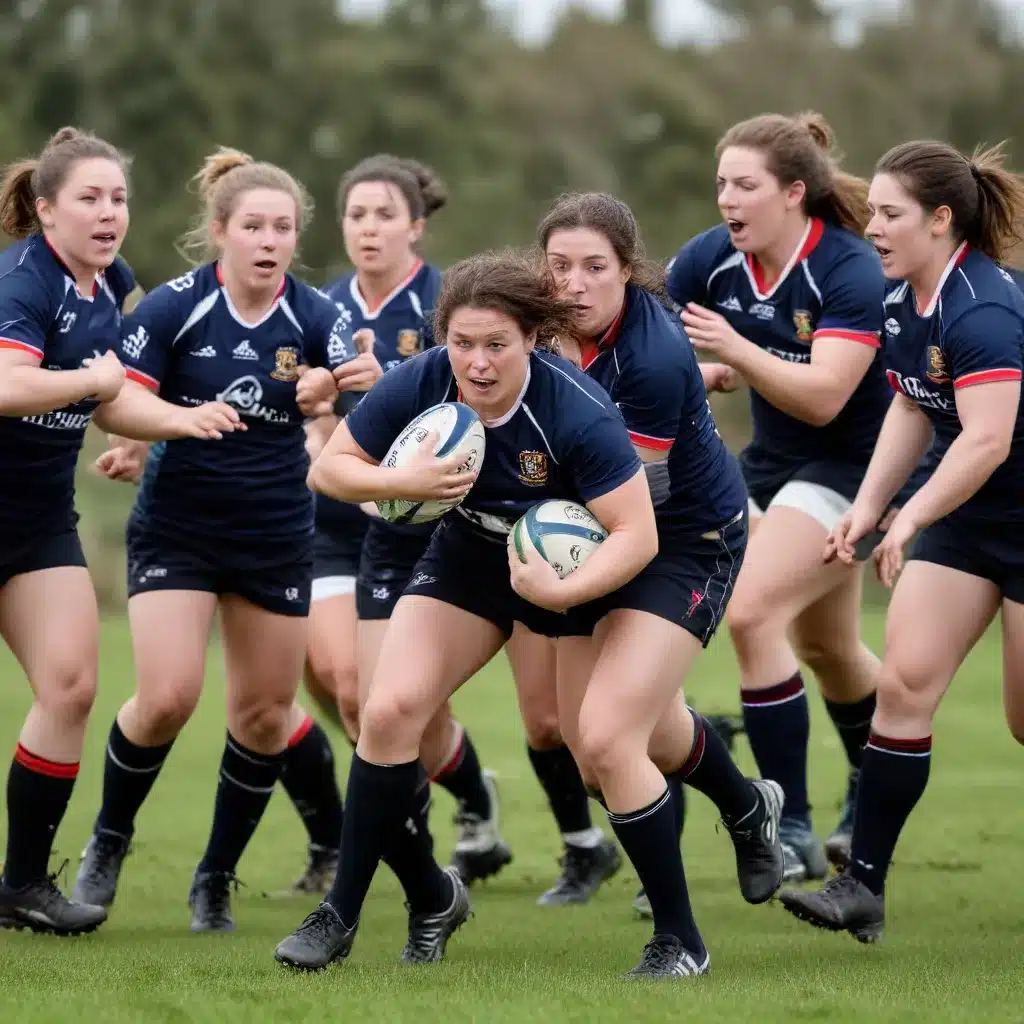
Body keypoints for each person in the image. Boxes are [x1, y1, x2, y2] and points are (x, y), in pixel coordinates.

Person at [273, 249, 658, 972]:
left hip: (564, 572)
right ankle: (344, 914)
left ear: (533, 341)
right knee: (387, 714)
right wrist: (402, 477)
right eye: (463, 344)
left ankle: (737, 807)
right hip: (466, 563)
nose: (476, 364)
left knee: (597, 748)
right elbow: (329, 468)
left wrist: (561, 592)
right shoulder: (423, 380)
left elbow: (639, 533)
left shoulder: (574, 409)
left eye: (496, 346)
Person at [70, 146, 381, 932]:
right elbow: (118, 406)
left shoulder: (316, 314)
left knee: (265, 718)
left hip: (276, 533)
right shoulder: (174, 307)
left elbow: (371, 385)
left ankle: (215, 877)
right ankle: (108, 841)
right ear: (221, 232)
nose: (269, 239)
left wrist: (336, 387)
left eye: (282, 226)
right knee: (169, 697)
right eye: (253, 225)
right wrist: (176, 423)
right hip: (179, 525)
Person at [781, 140, 1024, 941]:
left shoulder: (983, 308)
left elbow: (987, 439)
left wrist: (910, 516)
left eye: (890, 214)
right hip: (965, 518)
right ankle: (864, 888)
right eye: (875, 212)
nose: (873, 227)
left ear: (941, 220)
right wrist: (872, 506)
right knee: (904, 686)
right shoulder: (900, 299)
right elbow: (914, 406)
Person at [0, 127, 240, 935]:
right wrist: (92, 379)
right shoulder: (21, 282)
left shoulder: (112, 284)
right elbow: (7, 385)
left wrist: (178, 419)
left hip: (34, 524)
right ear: (45, 210)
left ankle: (21, 887)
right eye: (90, 199)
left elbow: (110, 401)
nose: (110, 214)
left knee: (69, 685)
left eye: (119, 199)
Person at [541, 192, 784, 977]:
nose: (574, 284)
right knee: (594, 747)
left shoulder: (650, 356)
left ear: (627, 271)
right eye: (558, 267)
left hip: (685, 538)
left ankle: (680, 941)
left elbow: (636, 503)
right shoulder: (533, 332)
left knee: (612, 734)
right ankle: (748, 803)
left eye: (594, 268)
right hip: (593, 533)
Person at [272, 154, 513, 896]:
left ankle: (450, 820)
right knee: (338, 686)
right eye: (355, 215)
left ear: (416, 225)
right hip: (336, 517)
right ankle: (442, 821)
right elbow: (311, 419)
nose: (368, 229)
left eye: (384, 215)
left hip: (428, 526)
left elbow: (482, 415)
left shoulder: (448, 303)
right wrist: (314, 402)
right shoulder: (324, 306)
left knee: (381, 694)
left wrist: (394, 395)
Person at [666, 112, 891, 880]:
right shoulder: (712, 261)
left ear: (794, 192)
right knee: (826, 646)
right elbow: (648, 350)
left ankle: (787, 824)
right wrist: (699, 372)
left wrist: (737, 352)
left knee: (755, 612)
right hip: (773, 466)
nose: (727, 198)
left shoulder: (848, 269)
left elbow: (827, 396)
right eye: (721, 182)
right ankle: (874, 778)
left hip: (862, 470)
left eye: (745, 185)